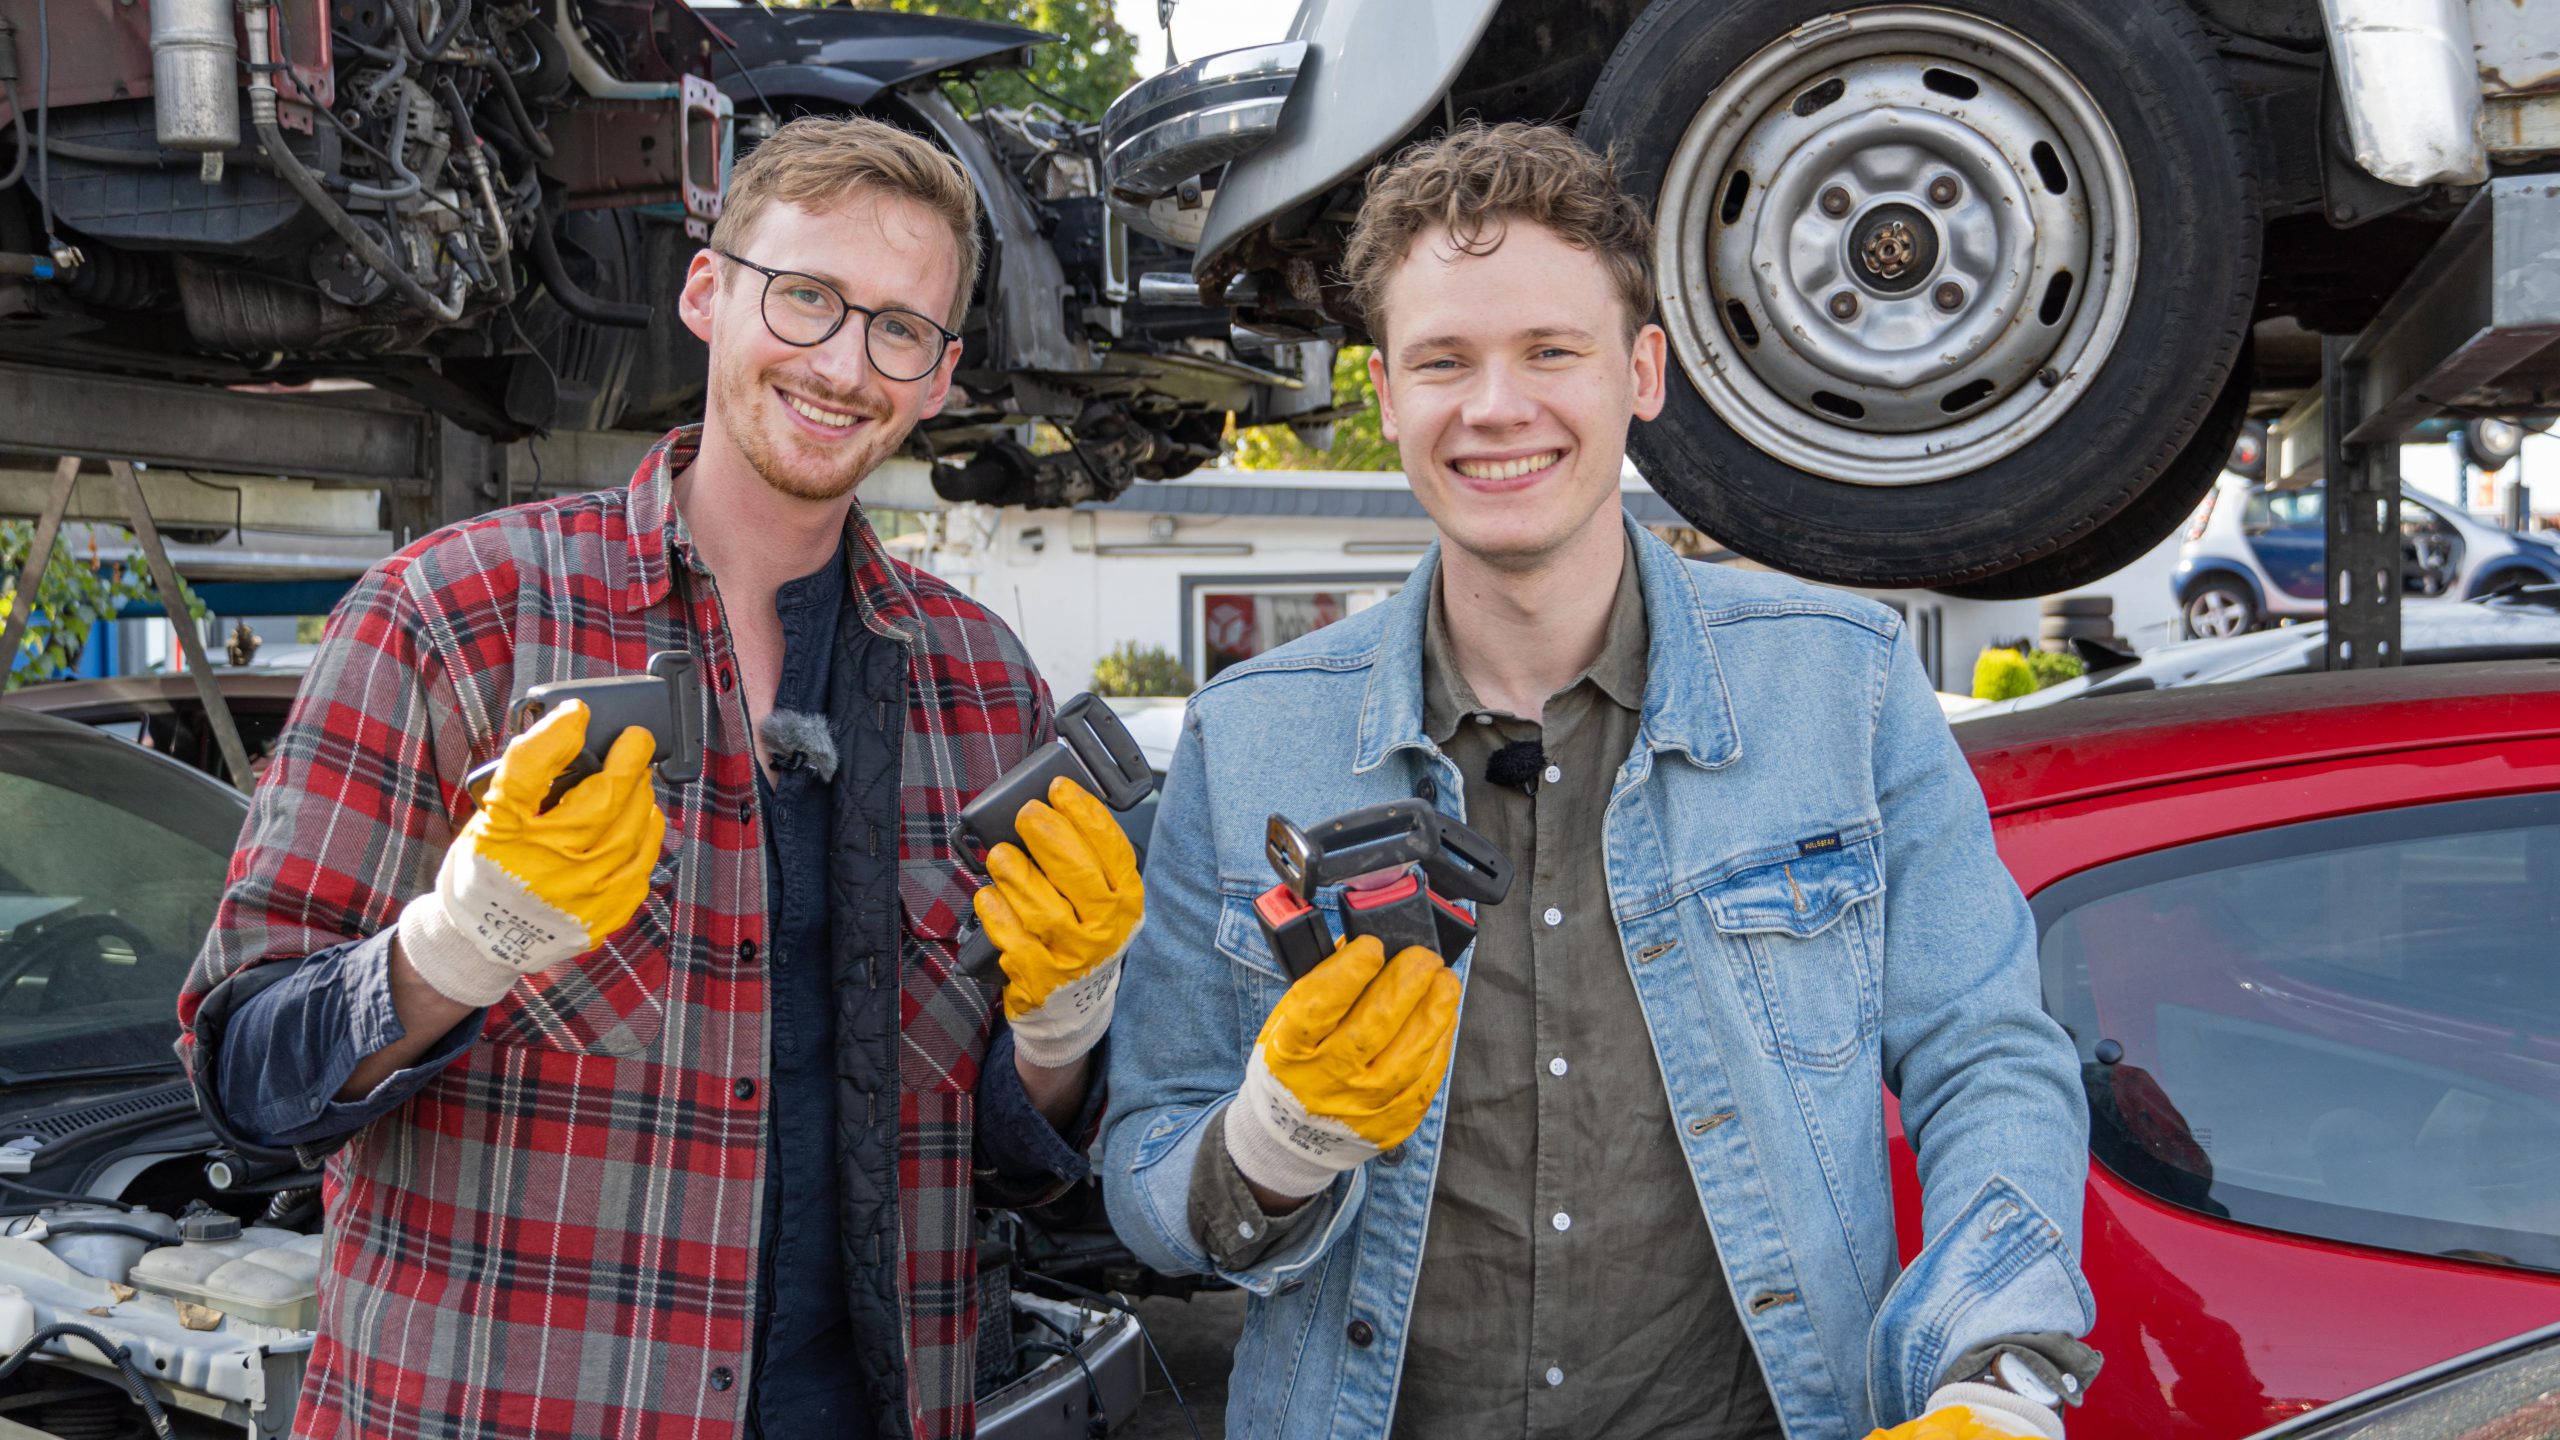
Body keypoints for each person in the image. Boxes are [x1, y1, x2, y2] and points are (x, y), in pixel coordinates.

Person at [1099, 121, 2101, 1440]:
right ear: (1389, 397)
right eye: (1444, 360)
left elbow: (1989, 1062)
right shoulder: (1249, 743)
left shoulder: (1842, 688)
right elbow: (1146, 1167)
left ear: (1641, 374)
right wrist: (1275, 1143)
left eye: (1550, 352)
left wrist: (1999, 1373)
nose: (1496, 406)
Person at [176, 115, 1141, 1440]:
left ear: (939, 376)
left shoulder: (979, 684)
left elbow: (1004, 1163)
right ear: (708, 294)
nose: (844, 364)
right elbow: (243, 1079)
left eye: (898, 331)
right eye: (806, 299)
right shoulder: (454, 615)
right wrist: (454, 948)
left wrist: (1065, 1033)